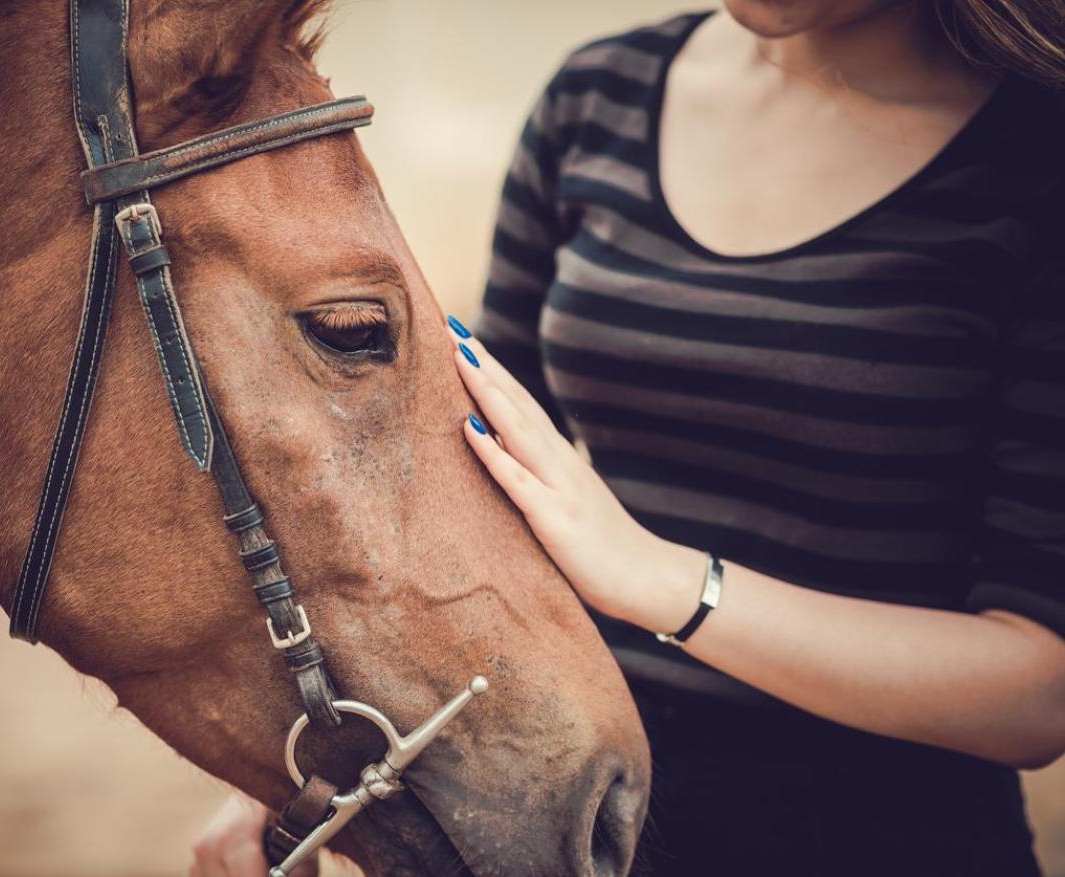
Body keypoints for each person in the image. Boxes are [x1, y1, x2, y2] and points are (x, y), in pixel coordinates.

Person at [192, 2, 1065, 874]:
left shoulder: (1036, 160)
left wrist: (669, 584)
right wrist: (299, 768)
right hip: (585, 829)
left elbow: (1038, 691)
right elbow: (461, 465)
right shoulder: (599, 97)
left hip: (890, 842)